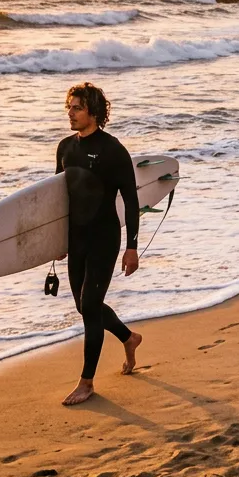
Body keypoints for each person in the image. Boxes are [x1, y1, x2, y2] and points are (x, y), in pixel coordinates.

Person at [56, 82, 143, 406]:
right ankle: (129, 337)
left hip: (105, 237)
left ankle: (86, 382)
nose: (70, 113)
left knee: (90, 306)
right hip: (77, 238)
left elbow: (131, 201)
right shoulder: (65, 148)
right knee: (83, 305)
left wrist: (131, 247)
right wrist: (56, 241)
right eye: (69, 107)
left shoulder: (113, 150)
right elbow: (58, 200)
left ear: (93, 111)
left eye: (77, 108)